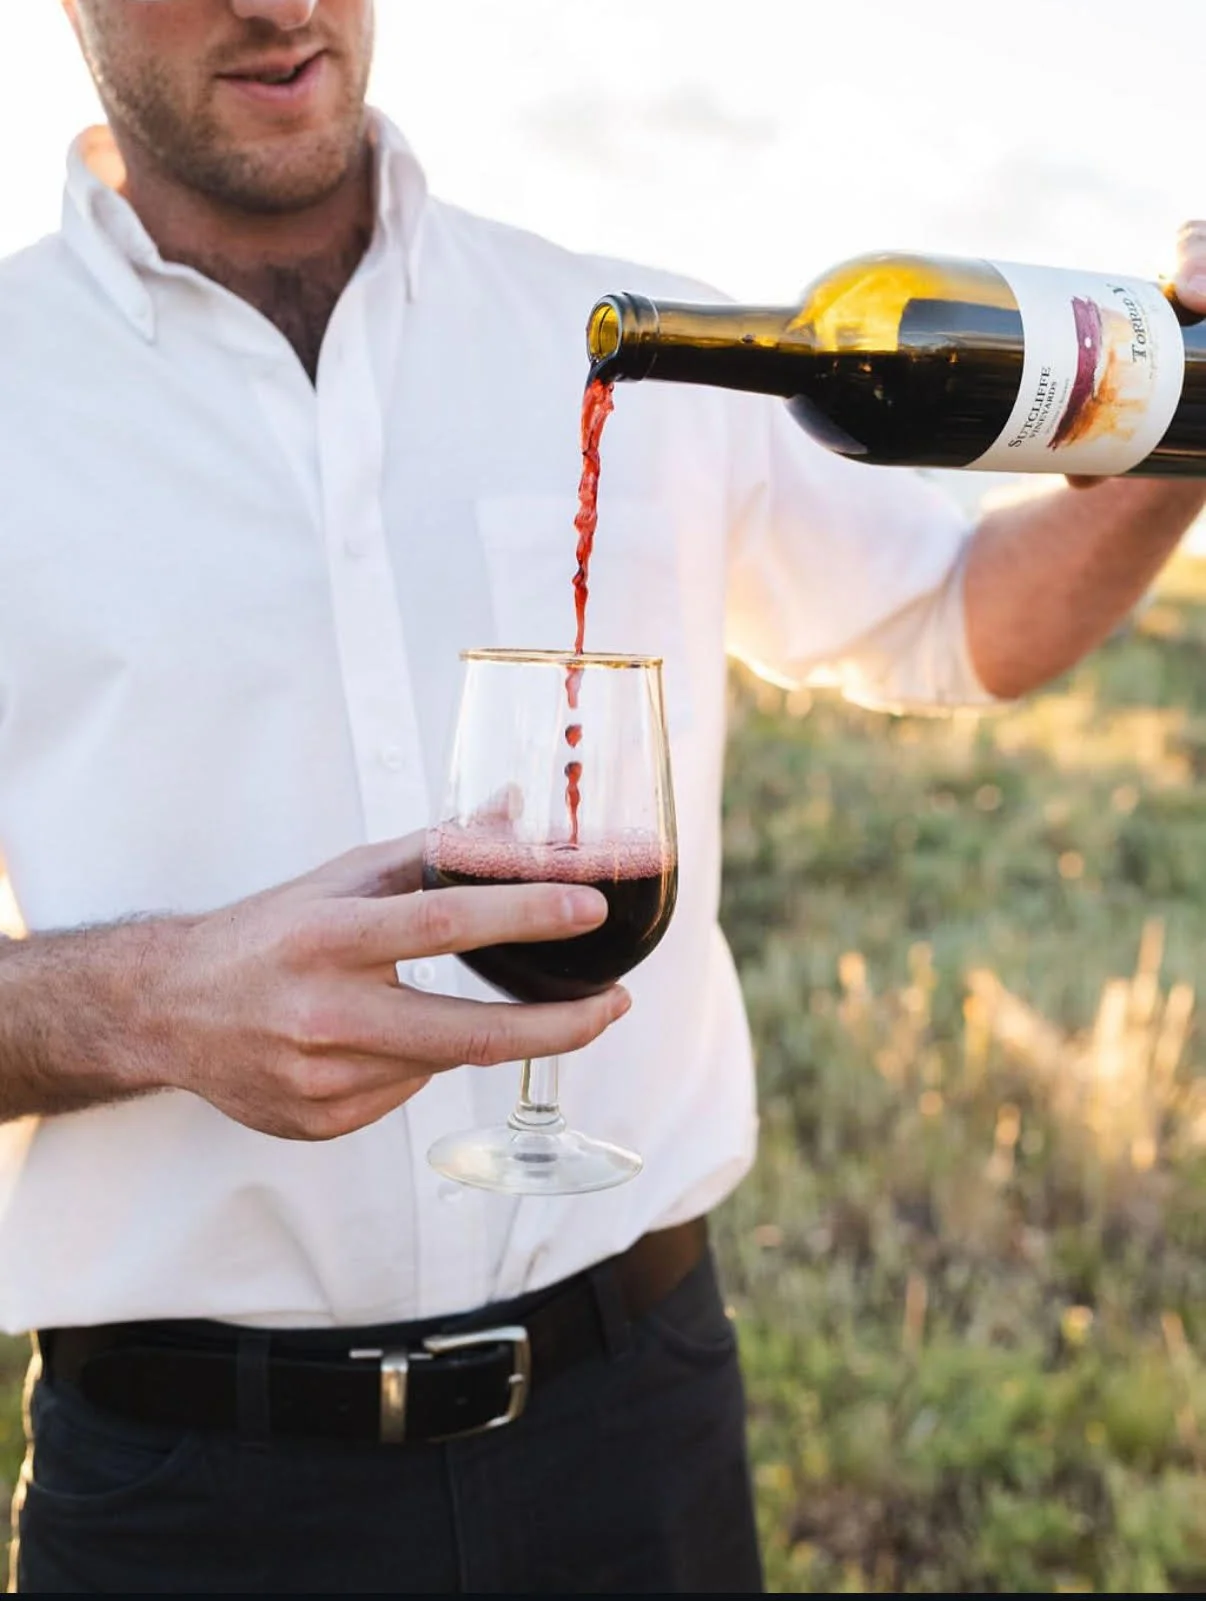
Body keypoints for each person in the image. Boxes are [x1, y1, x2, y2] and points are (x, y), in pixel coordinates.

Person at [1, 0, 1203, 1591]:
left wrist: (1179, 436)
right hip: (181, 1496)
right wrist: (138, 1007)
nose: (276, 3)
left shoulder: (621, 328)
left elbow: (949, 619)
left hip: (629, 1431)